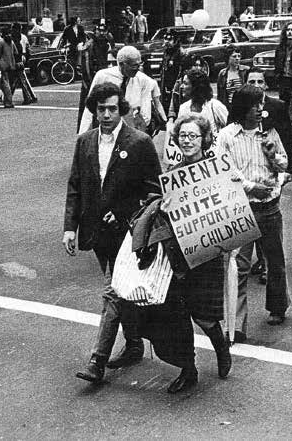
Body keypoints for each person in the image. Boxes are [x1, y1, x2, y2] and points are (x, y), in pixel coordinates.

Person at [63, 82, 162, 383]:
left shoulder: (139, 142)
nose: (106, 114)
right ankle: (133, 344)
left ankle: (97, 360)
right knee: (120, 292)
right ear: (93, 110)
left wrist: (121, 211)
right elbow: (75, 186)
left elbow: (155, 191)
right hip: (96, 233)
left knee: (112, 292)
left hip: (127, 233)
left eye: (112, 109)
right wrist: (69, 228)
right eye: (101, 109)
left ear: (122, 110)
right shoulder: (85, 141)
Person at [147, 113, 231, 393]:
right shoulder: (172, 174)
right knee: (178, 315)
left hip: (207, 254)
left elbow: (230, 209)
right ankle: (188, 368)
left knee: (205, 316)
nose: (187, 141)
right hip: (178, 256)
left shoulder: (216, 169)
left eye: (193, 136)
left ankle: (221, 347)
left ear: (205, 139)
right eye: (183, 136)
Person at [217, 85, 289, 339]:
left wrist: (274, 158)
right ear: (242, 107)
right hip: (242, 208)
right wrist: (250, 187)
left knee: (275, 261)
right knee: (239, 266)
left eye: (262, 104)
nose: (261, 109)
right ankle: (236, 323)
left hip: (269, 207)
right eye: (255, 105)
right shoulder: (226, 136)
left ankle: (278, 306)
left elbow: (284, 163)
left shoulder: (268, 134)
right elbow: (223, 170)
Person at [246, 67, 292, 282]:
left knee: (269, 215)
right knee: (252, 216)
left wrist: (290, 169)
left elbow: (287, 136)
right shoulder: (242, 105)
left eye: (260, 82)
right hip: (249, 169)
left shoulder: (277, 106)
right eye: (252, 81)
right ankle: (261, 258)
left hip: (273, 169)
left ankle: (268, 263)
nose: (257, 85)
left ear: (266, 85)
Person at [79, 46, 154, 135]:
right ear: (122, 64)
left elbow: (146, 110)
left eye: (140, 64)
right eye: (134, 65)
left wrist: (141, 133)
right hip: (106, 128)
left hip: (131, 130)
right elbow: (89, 108)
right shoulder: (103, 76)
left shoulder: (143, 80)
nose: (138, 68)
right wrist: (83, 134)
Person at [178, 68, 228, 139]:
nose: (181, 86)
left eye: (185, 83)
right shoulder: (183, 108)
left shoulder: (215, 106)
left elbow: (230, 129)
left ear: (196, 87)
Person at [217, 45, 249, 114]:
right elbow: (220, 95)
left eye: (239, 56)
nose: (237, 59)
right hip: (229, 107)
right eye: (234, 56)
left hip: (244, 107)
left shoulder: (245, 71)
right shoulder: (222, 74)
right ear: (228, 58)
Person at [10, 22, 37, 105]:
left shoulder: (13, 38)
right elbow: (28, 49)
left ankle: (28, 97)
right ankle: (31, 96)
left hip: (17, 59)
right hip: (23, 58)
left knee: (19, 79)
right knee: (19, 79)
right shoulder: (23, 37)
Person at [0, 25, 18, 109]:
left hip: (3, 66)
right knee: (9, 84)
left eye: (0, 31)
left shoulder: (1, 42)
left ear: (2, 33)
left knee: (4, 84)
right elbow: (16, 52)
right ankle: (7, 100)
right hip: (11, 65)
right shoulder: (11, 41)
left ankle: (8, 102)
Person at [160, 31, 184, 115]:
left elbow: (181, 71)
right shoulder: (166, 51)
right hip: (166, 82)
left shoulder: (180, 53)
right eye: (165, 38)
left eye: (170, 39)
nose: (167, 41)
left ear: (175, 40)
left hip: (175, 83)